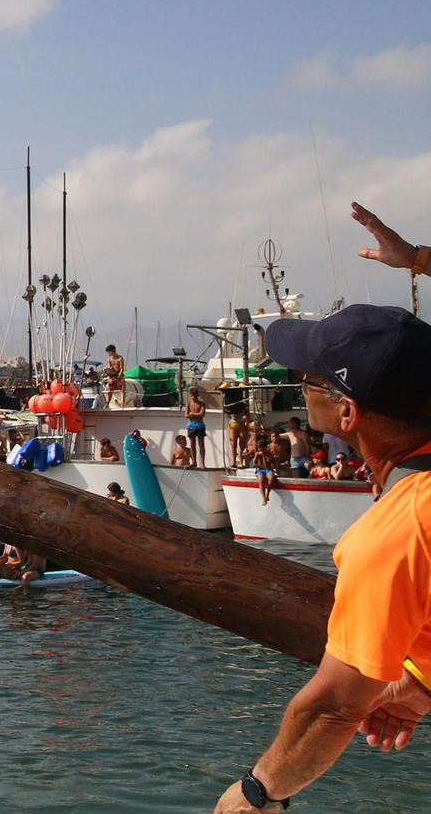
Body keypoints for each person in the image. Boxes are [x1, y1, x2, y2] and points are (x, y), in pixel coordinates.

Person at [211, 304, 431, 813]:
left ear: (347, 413)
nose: (299, 386)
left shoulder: (401, 526)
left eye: (307, 379)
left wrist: (258, 792)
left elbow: (335, 705)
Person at [185, 388, 208, 465]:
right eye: (192, 396)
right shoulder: (188, 404)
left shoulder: (201, 404)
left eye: (195, 395)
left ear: (197, 395)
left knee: (201, 444)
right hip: (191, 425)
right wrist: (194, 415)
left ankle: (203, 462)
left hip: (200, 425)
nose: (193, 397)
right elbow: (186, 415)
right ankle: (194, 462)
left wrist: (192, 414)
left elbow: (202, 414)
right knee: (192, 444)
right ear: (190, 396)